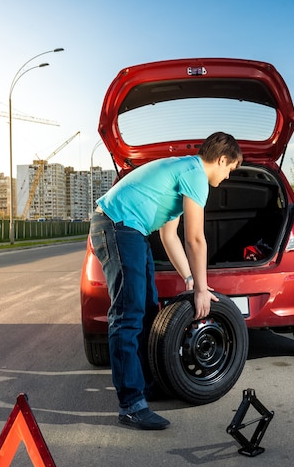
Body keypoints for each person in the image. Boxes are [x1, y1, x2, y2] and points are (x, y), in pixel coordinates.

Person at [90, 131, 243, 430]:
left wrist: (189, 277)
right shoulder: (196, 173)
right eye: (230, 169)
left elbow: (168, 235)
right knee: (128, 316)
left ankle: (146, 387)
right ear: (222, 159)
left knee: (147, 311)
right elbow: (195, 239)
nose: (227, 177)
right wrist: (200, 289)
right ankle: (131, 405)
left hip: (129, 229)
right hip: (117, 226)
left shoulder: (184, 171)